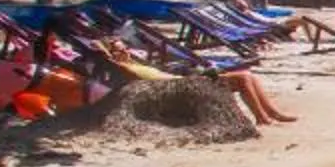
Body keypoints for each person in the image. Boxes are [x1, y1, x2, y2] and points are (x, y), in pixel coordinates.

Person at [92, 36, 298, 126]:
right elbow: (102, 54)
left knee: (247, 74)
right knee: (243, 77)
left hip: (181, 80)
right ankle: (262, 118)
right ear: (112, 55)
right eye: (119, 50)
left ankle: (272, 113)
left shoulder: (134, 61)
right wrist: (107, 54)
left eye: (125, 48)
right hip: (178, 87)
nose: (125, 52)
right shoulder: (124, 67)